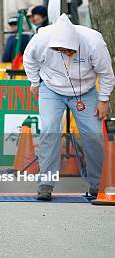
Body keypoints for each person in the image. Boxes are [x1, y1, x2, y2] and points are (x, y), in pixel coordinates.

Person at [23, 14, 113, 200]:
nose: (66, 53)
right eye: (61, 50)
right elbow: (28, 59)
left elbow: (106, 73)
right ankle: (45, 184)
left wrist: (103, 100)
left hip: (85, 90)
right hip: (51, 88)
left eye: (69, 50)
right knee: (49, 131)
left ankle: (98, 184)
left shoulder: (93, 42)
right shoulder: (41, 40)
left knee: (93, 135)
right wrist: (34, 82)